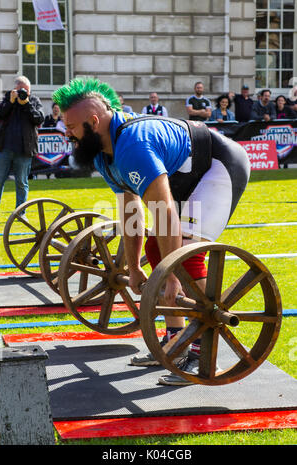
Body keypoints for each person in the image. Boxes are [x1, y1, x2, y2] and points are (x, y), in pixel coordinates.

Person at [52, 78, 250, 386]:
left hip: (218, 166)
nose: (67, 134)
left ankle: (200, 349)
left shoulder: (132, 145)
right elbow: (132, 213)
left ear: (93, 122)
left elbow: (163, 209)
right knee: (159, 250)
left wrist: (170, 275)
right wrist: (133, 268)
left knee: (186, 251)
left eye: (72, 127)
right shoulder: (105, 154)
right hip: (188, 173)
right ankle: (176, 342)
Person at [0, 75, 44, 221]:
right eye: (21, 90)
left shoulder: (34, 101)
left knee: (22, 182)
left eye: (27, 90)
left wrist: (26, 104)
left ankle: (21, 213)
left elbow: (39, 118)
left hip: (25, 149)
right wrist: (11, 103)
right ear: (14, 89)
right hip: (4, 148)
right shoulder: (7, 100)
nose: (25, 93)